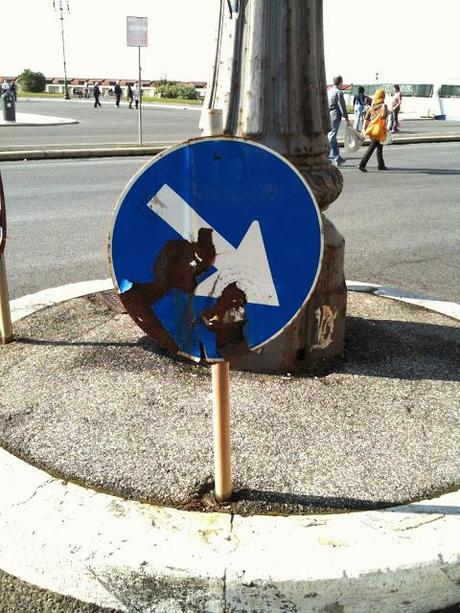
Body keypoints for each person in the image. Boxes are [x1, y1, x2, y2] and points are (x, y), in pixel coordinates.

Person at [358, 89, 388, 172]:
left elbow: (366, 119)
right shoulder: (383, 106)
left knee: (379, 147)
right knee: (371, 148)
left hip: (372, 130)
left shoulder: (372, 107)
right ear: (383, 96)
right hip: (379, 130)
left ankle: (381, 165)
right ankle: (362, 164)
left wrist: (363, 129)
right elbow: (383, 116)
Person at [328, 75, 351, 166]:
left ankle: (337, 158)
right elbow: (342, 107)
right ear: (340, 82)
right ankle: (326, 157)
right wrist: (347, 118)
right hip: (335, 116)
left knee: (332, 137)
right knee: (332, 137)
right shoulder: (339, 92)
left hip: (328, 115)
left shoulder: (329, 92)